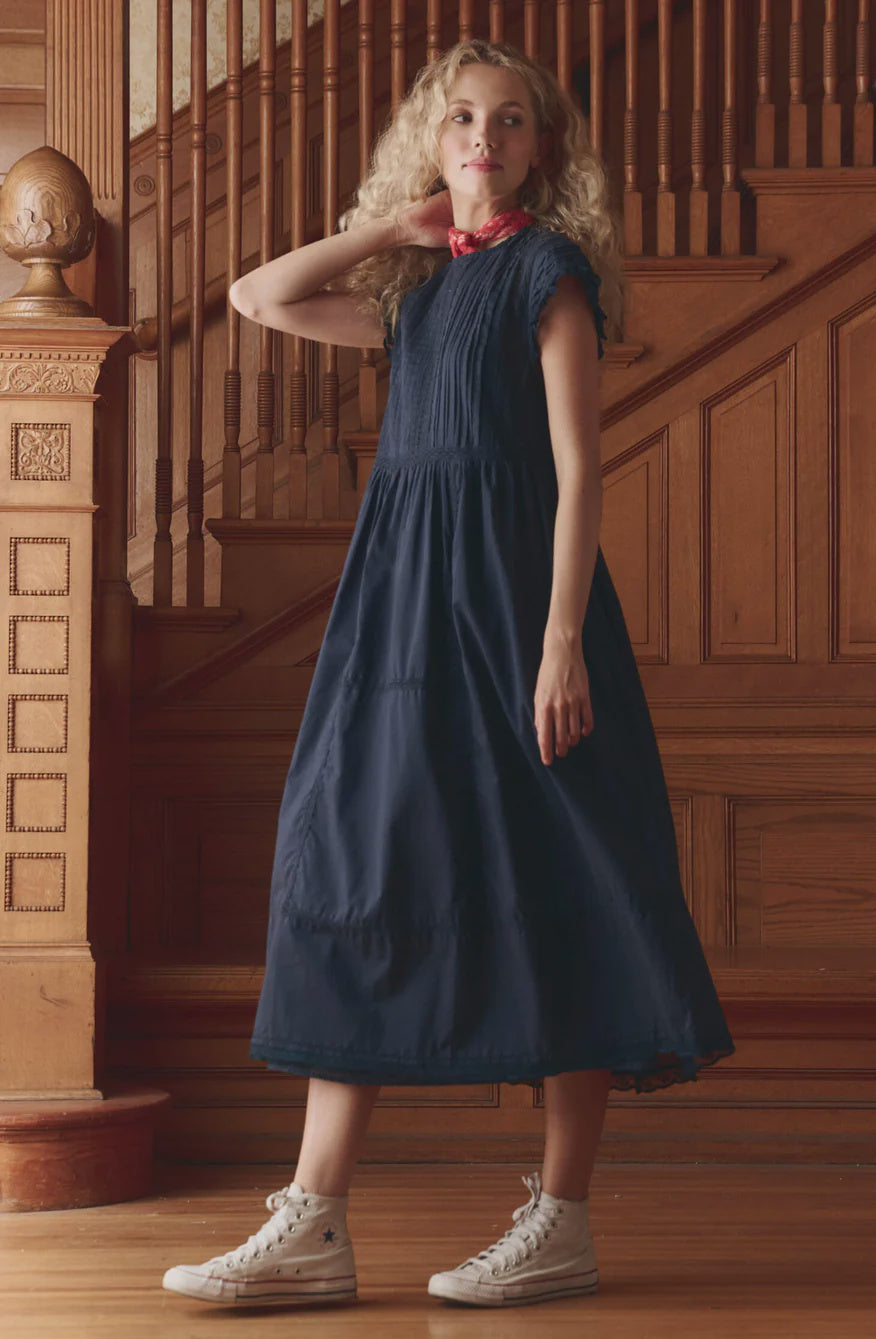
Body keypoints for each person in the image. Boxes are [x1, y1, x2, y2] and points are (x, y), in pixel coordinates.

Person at [162, 37, 735, 1311]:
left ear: (543, 148)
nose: (485, 136)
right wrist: (393, 230)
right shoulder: (414, 291)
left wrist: (562, 641)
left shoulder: (548, 272)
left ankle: (561, 1219)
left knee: (570, 875)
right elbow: (258, 296)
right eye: (463, 116)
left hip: (521, 612)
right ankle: (314, 1219)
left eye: (511, 119)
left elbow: (580, 471)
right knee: (352, 863)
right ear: (434, 140)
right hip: (401, 611)